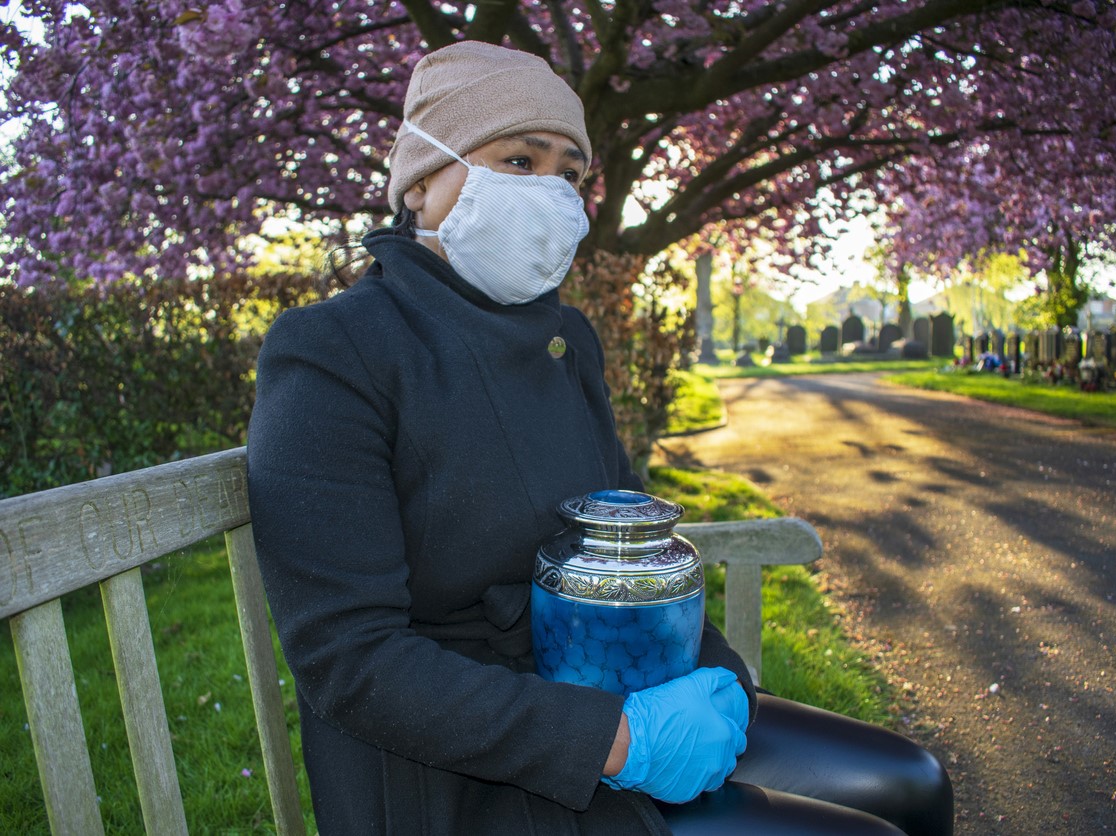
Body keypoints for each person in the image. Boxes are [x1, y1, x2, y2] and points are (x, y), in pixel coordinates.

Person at [247, 40, 953, 836]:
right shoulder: (336, 349)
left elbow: (629, 543)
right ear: (420, 182)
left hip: (621, 681)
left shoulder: (567, 340)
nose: (549, 192)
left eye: (569, 172)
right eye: (517, 158)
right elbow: (349, 659)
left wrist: (716, 675)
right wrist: (616, 741)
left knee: (913, 783)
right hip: (457, 765)